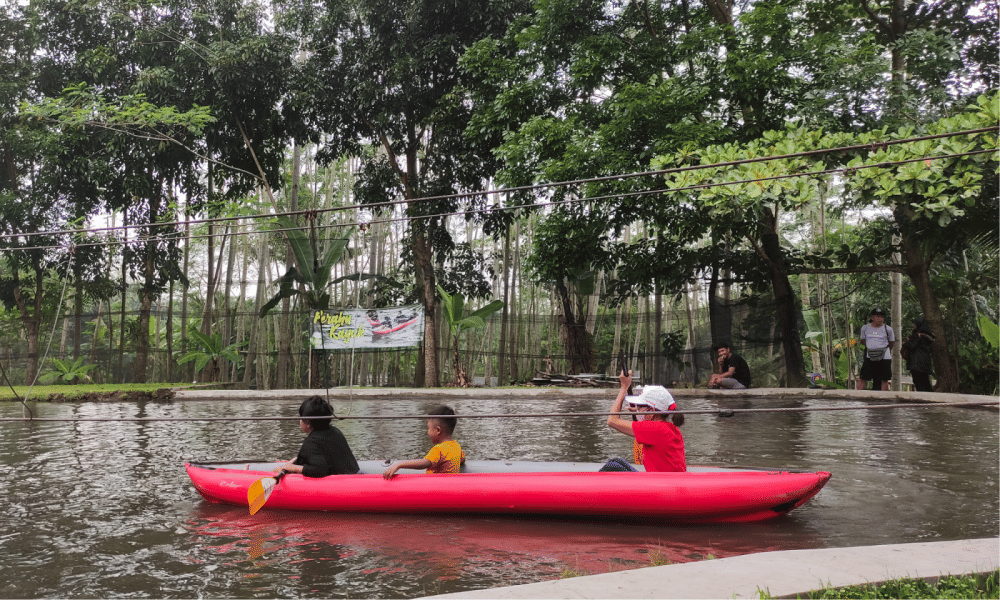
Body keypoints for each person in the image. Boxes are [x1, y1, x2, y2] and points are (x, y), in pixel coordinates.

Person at [602, 371, 685, 472]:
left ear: (652, 411)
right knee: (616, 462)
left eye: (640, 406)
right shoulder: (672, 428)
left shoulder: (655, 429)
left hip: (661, 485)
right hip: (667, 481)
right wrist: (639, 411)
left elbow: (612, 420)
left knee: (612, 465)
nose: (637, 409)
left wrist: (624, 387)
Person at [274, 395, 361, 477]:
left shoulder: (311, 442)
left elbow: (318, 470)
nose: (299, 421)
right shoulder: (334, 430)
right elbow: (322, 455)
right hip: (352, 473)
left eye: (301, 418)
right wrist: (292, 462)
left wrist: (290, 467)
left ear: (307, 423)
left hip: (343, 484)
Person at [383, 405, 466, 479]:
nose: (427, 432)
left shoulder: (439, 449)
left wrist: (400, 464)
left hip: (436, 489)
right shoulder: (456, 446)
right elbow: (462, 459)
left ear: (437, 430)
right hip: (451, 487)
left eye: (429, 428)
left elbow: (425, 463)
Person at [858, 307, 895, 391]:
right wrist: (872, 347)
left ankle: (883, 398)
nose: (879, 318)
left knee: (884, 379)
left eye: (881, 316)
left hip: (884, 356)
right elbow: (863, 340)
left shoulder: (888, 329)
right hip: (869, 355)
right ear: (872, 317)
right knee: (863, 377)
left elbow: (891, 342)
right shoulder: (865, 328)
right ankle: (857, 396)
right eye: (877, 316)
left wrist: (882, 350)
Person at [903, 317, 935, 392]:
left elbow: (912, 346)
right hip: (925, 363)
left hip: (916, 363)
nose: (912, 326)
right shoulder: (928, 336)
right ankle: (931, 399)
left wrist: (907, 342)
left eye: (914, 324)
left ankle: (922, 400)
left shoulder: (916, 335)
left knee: (918, 382)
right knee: (926, 382)